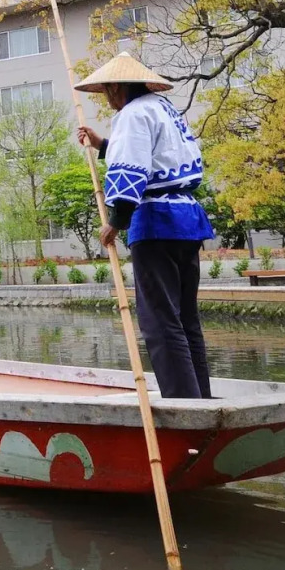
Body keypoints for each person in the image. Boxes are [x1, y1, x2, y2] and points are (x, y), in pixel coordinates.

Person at [73, 51, 215, 399]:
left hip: (156, 223)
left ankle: (185, 402)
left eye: (107, 90)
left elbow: (131, 171)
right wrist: (102, 144)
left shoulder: (132, 114)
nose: (107, 99)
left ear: (117, 87)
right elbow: (159, 157)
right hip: (186, 219)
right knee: (185, 317)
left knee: (160, 320)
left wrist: (116, 223)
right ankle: (200, 394)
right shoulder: (164, 109)